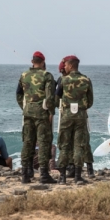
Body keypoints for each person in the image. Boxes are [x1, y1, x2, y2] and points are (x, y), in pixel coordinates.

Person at [16, 51, 56, 184]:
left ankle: (25, 174)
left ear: (32, 61)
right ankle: (44, 174)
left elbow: (18, 95)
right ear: (43, 62)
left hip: (28, 113)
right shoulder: (47, 76)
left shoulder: (23, 75)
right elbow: (50, 97)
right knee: (43, 142)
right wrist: (50, 112)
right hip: (42, 114)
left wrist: (26, 108)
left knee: (28, 142)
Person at [56, 55, 93, 185]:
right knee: (79, 145)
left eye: (65, 65)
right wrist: (81, 108)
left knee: (64, 145)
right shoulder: (86, 80)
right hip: (81, 115)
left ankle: (62, 177)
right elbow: (90, 102)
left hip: (66, 115)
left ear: (70, 66)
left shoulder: (63, 80)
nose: (64, 67)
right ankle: (78, 176)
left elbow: (57, 98)